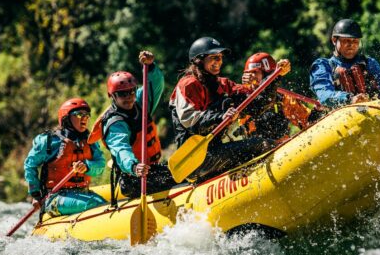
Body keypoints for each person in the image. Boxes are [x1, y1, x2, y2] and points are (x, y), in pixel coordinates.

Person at [169, 37, 285, 181]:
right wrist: (221, 116)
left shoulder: (224, 84)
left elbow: (257, 106)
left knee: (262, 140)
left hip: (217, 152)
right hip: (196, 160)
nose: (219, 62)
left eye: (220, 58)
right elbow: (191, 123)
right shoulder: (188, 84)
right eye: (214, 57)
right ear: (199, 60)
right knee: (263, 144)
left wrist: (274, 78)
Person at [89, 51, 176, 199]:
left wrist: (150, 66)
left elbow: (155, 85)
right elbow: (121, 150)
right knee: (170, 180)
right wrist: (134, 166)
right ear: (112, 96)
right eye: (122, 94)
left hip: (153, 168)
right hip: (132, 178)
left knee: (183, 172)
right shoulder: (115, 123)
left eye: (131, 91)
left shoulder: (140, 104)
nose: (129, 97)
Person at [24, 98, 107, 216]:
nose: (85, 118)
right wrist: (35, 194)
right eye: (79, 114)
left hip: (83, 193)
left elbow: (100, 165)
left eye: (87, 115)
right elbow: (30, 165)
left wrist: (87, 167)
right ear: (66, 118)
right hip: (55, 198)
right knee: (93, 204)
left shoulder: (90, 141)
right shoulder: (49, 141)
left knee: (105, 205)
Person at [309, 19, 380, 107]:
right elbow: (325, 95)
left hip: (372, 111)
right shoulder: (323, 66)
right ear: (334, 40)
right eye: (346, 40)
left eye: (355, 41)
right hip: (340, 115)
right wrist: (350, 99)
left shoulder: (369, 63)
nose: (351, 45)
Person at [237, 52, 310, 141]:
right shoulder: (244, 97)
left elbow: (306, 120)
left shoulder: (282, 97)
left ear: (266, 75)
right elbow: (257, 105)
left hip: (283, 146)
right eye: (249, 73)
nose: (252, 77)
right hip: (260, 149)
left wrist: (318, 111)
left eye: (255, 72)